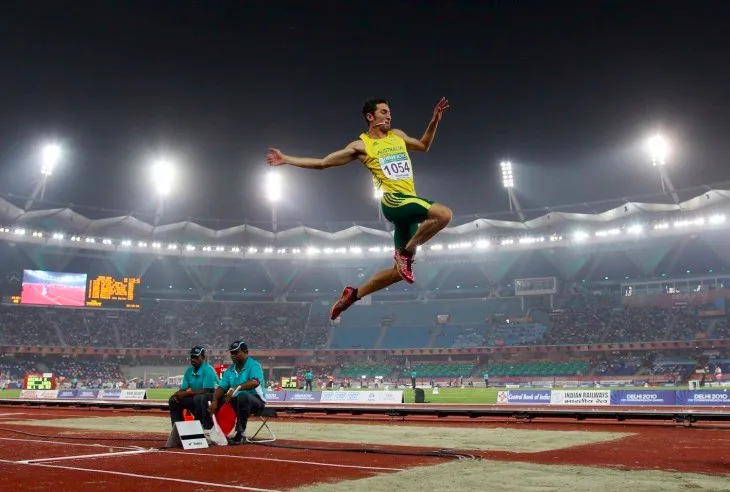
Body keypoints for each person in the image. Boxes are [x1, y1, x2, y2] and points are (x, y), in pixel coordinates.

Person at [267, 97, 453, 320]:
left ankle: (353, 295)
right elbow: (323, 163)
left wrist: (434, 120)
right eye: (384, 112)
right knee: (444, 214)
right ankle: (405, 252)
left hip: (408, 205)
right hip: (394, 201)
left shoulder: (397, 135)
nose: (389, 116)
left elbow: (423, 145)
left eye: (389, 112)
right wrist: (286, 159)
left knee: (398, 273)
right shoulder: (360, 146)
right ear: (370, 116)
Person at [209, 341, 266, 445]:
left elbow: (255, 382)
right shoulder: (230, 369)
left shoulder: (254, 365)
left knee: (242, 396)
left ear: (246, 352)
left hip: (256, 401)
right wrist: (215, 400)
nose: (233, 355)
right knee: (208, 398)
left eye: (236, 352)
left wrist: (236, 388)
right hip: (237, 400)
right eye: (231, 353)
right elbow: (221, 387)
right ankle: (209, 431)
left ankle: (240, 433)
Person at [168, 347, 219, 432]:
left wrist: (186, 393)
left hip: (212, 398)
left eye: (196, 357)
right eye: (191, 357)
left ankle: (201, 426)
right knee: (173, 400)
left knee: (199, 398)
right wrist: (176, 394)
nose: (192, 360)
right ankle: (178, 430)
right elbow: (183, 389)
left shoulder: (208, 369)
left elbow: (206, 390)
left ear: (203, 357)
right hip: (197, 398)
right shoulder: (189, 371)